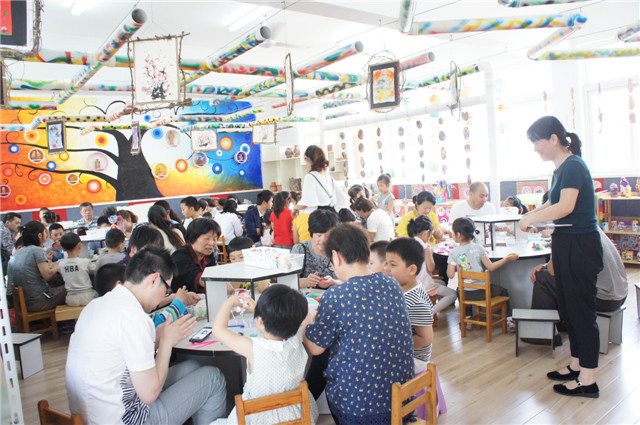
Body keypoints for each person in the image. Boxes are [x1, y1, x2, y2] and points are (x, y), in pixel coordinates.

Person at [66, 247, 227, 424]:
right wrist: (166, 342)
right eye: (166, 290)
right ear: (154, 280)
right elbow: (149, 394)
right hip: (126, 419)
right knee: (214, 377)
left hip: (92, 415)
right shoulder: (134, 318)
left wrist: (157, 336)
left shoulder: (96, 305)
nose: (164, 296)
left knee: (192, 367)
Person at [518, 116, 603, 398]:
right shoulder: (561, 169)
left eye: (536, 142)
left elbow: (565, 207)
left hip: (580, 246)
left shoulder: (574, 166)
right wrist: (531, 216)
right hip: (566, 244)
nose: (535, 148)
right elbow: (552, 203)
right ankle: (577, 365)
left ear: (554, 139)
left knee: (581, 312)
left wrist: (531, 219)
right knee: (569, 309)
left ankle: (588, 381)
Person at [304, 224, 414, 424]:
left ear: (336, 257)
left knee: (324, 362)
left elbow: (315, 348)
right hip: (402, 403)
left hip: (360, 410)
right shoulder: (392, 284)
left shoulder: (336, 296)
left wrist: (306, 321)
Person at [212, 285, 319, 424]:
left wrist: (229, 301)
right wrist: (260, 311)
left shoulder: (253, 348)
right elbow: (304, 319)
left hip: (258, 417)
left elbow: (218, 329)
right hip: (297, 416)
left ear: (260, 321)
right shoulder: (297, 340)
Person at [527, 227, 628, 346]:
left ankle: (543, 334)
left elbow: (553, 271)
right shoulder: (589, 227)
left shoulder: (568, 232)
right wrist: (546, 264)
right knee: (558, 279)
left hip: (603, 299)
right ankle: (562, 322)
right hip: (619, 296)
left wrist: (555, 238)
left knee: (543, 278)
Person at [447, 218, 518, 319]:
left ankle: (467, 317)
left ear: (458, 234)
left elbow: (450, 275)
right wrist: (507, 259)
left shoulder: (453, 252)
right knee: (503, 291)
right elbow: (491, 267)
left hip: (466, 294)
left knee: (459, 290)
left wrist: (454, 262)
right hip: (482, 292)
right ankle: (509, 319)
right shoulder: (479, 248)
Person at [385, 237, 434, 363]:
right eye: (386, 263)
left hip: (413, 360)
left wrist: (394, 347)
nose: (387, 269)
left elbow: (426, 338)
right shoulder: (405, 289)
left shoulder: (416, 302)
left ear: (411, 269)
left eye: (393, 265)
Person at [407, 215, 457, 315]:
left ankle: (430, 304)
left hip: (410, 283)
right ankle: (429, 313)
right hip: (422, 285)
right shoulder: (425, 247)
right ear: (427, 233)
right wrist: (430, 254)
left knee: (442, 283)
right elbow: (431, 268)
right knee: (453, 294)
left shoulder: (408, 243)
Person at [12, 221, 65, 312]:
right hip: (40, 302)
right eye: (45, 232)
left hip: (27, 301)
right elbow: (47, 275)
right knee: (72, 286)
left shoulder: (20, 251)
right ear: (40, 235)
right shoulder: (37, 250)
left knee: (57, 283)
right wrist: (59, 263)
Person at [396, 191, 448, 284]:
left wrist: (439, 234)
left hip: (431, 252)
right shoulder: (407, 218)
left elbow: (438, 236)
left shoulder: (432, 216)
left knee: (445, 261)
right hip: (415, 255)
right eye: (425, 208)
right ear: (417, 204)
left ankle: (442, 283)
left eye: (430, 208)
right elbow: (403, 242)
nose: (427, 211)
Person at [291, 209, 340, 290]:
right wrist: (305, 281)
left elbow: (350, 281)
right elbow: (289, 281)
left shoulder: (338, 250)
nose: (323, 241)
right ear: (311, 233)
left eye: (328, 236)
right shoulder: (300, 250)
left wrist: (333, 282)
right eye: (319, 235)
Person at [295, 145, 349, 214]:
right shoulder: (329, 177)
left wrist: (295, 208)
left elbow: (306, 203)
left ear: (307, 158)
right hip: (334, 214)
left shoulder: (310, 177)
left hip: (320, 216)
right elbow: (341, 199)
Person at [171, 218, 220, 293]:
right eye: (206, 238)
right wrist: (221, 283)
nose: (211, 243)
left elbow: (213, 274)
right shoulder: (180, 256)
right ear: (193, 237)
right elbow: (199, 278)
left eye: (214, 239)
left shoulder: (208, 255)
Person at [58, 232, 98, 307]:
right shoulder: (85, 262)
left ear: (62, 248)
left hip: (71, 299)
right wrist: (96, 263)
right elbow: (96, 271)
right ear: (80, 246)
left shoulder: (61, 264)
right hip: (88, 296)